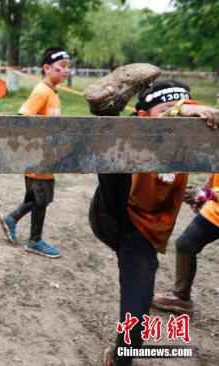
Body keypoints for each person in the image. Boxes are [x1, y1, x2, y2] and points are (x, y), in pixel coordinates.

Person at [94, 80, 219, 366]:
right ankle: (106, 113)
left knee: (136, 316)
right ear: (142, 115)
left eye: (189, 108)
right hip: (114, 212)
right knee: (116, 157)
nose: (185, 115)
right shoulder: (138, 131)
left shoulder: (190, 140)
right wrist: (177, 112)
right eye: (167, 110)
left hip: (144, 234)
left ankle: (119, 358)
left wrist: (186, 110)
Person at [0, 47, 70, 258]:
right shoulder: (41, 91)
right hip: (39, 159)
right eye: (62, 66)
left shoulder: (51, 92)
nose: (66, 71)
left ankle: (11, 220)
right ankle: (35, 241)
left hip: (44, 158)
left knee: (36, 197)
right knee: (42, 199)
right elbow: (23, 118)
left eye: (68, 66)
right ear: (47, 68)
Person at [152, 173, 219, 313]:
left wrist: (206, 194)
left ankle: (181, 297)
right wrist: (205, 193)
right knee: (186, 244)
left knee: (186, 244)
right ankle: (181, 297)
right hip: (215, 210)